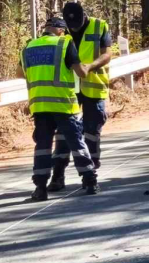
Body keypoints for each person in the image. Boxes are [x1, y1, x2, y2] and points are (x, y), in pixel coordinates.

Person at [18, 17, 99, 201]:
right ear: (61, 30)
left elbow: (19, 73)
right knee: (76, 142)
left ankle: (40, 188)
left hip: (40, 105)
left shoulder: (28, 46)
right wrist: (88, 67)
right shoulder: (64, 44)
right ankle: (90, 181)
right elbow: (80, 72)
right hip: (63, 104)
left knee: (43, 147)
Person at [48, 1, 112, 191]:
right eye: (70, 25)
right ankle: (58, 176)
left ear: (84, 15)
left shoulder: (100, 26)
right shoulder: (62, 31)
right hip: (69, 90)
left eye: (76, 24)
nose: (73, 28)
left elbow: (107, 54)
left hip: (93, 87)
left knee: (91, 133)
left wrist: (90, 67)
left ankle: (90, 177)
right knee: (63, 133)